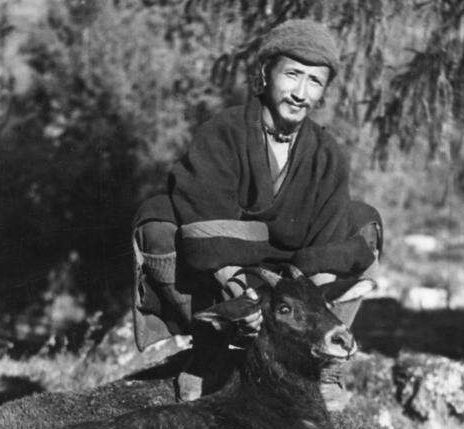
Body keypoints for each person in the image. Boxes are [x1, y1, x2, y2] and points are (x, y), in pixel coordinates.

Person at [132, 18, 382, 399]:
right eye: (292, 75)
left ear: (323, 91)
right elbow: (205, 222)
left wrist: (311, 313)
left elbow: (328, 238)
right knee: (158, 220)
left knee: (364, 223)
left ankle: (321, 366)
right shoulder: (223, 132)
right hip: (226, 274)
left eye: (314, 81)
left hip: (292, 272)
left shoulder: (328, 154)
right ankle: (208, 354)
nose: (300, 92)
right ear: (266, 74)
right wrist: (244, 296)